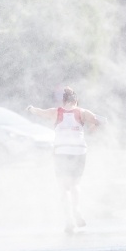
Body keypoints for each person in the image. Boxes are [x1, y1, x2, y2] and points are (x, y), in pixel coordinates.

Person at [27, 87, 102, 234]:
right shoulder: (83, 112)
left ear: (64, 101)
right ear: (76, 101)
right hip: (79, 151)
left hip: (61, 151)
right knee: (75, 184)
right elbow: (100, 121)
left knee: (64, 187)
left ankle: (69, 221)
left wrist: (30, 108)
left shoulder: (56, 112)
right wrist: (93, 125)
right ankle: (77, 211)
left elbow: (39, 112)